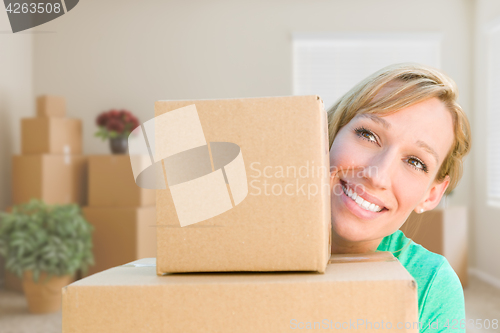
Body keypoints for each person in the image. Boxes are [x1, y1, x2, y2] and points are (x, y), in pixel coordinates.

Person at [327, 63, 472, 332]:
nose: (378, 176)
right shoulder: (244, 240)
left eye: (415, 162)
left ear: (432, 194)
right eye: (368, 135)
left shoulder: (431, 285)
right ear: (328, 134)